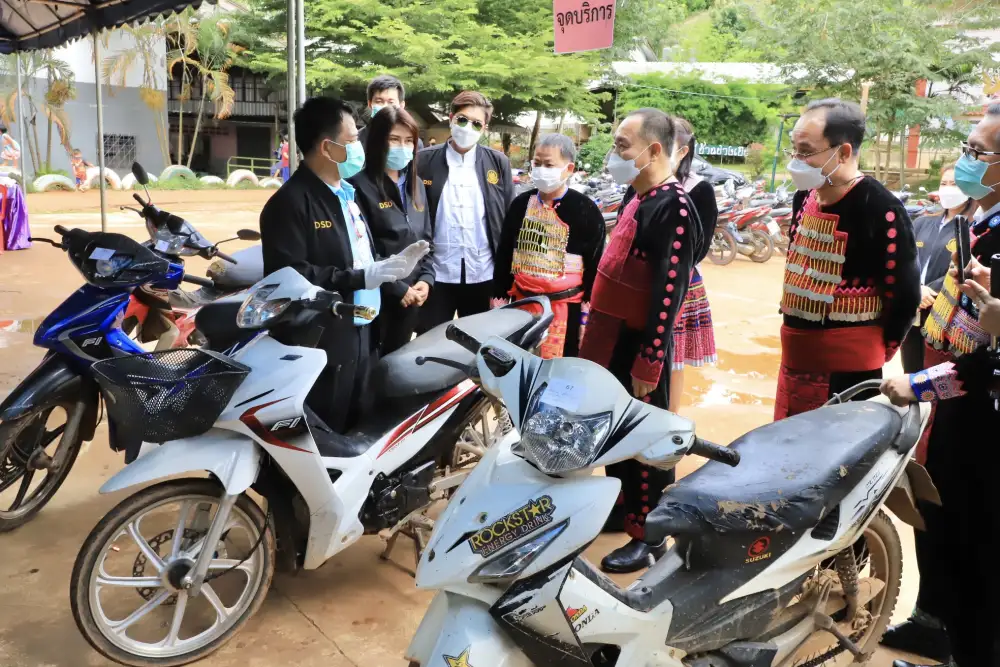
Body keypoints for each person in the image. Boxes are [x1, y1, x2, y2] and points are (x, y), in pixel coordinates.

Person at [883, 104, 1000, 667]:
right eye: (967, 147)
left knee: (975, 551)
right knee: (946, 530)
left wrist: (921, 384)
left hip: (979, 417)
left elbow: (988, 362)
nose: (966, 161)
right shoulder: (979, 221)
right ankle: (941, 633)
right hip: (954, 406)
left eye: (979, 152)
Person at [577, 109, 702, 573]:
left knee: (645, 446)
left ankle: (649, 536)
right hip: (611, 342)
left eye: (621, 145)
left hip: (637, 348)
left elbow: (670, 291)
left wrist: (649, 361)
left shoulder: (675, 207)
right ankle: (625, 511)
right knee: (618, 436)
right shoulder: (639, 195)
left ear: (653, 150)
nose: (614, 154)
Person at [259, 96, 428, 433]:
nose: (359, 148)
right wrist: (361, 278)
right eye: (352, 140)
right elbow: (291, 276)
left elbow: (361, 255)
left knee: (360, 422)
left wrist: (389, 269)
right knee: (328, 427)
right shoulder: (290, 203)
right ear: (327, 147)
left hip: (365, 330)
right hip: (325, 340)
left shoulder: (347, 194)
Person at [774, 98, 920, 419]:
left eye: (805, 151)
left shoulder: (880, 208)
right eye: (794, 150)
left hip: (848, 371)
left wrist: (874, 350)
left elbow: (905, 295)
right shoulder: (805, 197)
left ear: (843, 152)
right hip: (795, 361)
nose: (796, 161)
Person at [492, 133, 605, 359]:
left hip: (567, 310)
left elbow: (595, 268)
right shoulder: (520, 205)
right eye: (537, 163)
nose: (541, 169)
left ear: (569, 168)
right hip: (522, 304)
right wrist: (498, 303)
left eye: (549, 164)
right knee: (518, 365)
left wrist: (586, 318)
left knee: (559, 372)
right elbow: (504, 256)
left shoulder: (586, 210)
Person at [417, 90, 515, 331]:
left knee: (481, 343)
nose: (468, 127)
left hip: (483, 272)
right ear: (451, 118)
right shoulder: (423, 160)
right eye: (462, 119)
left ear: (484, 128)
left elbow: (509, 218)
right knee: (431, 342)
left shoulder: (498, 163)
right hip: (436, 273)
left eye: (476, 123)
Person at [350, 105, 434, 354]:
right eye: (394, 139)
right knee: (375, 363)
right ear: (378, 141)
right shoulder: (358, 187)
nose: (402, 147)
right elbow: (361, 251)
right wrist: (397, 288)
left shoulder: (417, 185)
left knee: (399, 362)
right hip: (377, 298)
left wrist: (426, 280)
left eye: (409, 141)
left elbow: (426, 240)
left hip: (413, 297)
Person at [899, 164, 976, 374]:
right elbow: (904, 259)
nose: (948, 189)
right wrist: (915, 289)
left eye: (955, 184)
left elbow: (964, 267)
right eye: (944, 183)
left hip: (945, 311)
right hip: (914, 308)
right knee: (910, 370)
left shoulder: (971, 227)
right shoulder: (922, 222)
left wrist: (928, 291)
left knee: (935, 372)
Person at [669, 117, 719, 412]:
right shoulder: (640, 184)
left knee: (672, 360)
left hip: (680, 285)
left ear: (683, 150)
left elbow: (700, 246)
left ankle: (668, 418)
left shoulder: (699, 190)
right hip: (640, 282)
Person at [359, 74, 423, 151]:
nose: (385, 107)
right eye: (379, 101)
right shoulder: (356, 140)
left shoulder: (414, 142)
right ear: (370, 104)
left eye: (391, 102)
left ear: (401, 105)